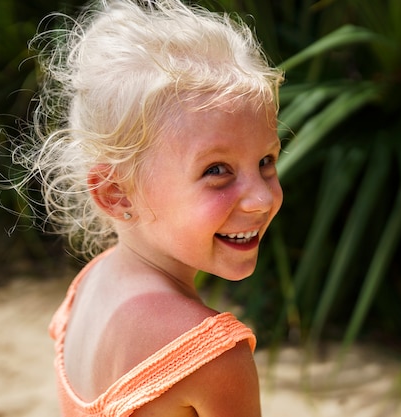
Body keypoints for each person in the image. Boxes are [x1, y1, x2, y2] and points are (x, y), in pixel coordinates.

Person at [15, 0, 284, 416]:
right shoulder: (211, 355)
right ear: (116, 193)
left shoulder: (86, 287)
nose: (263, 197)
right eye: (217, 170)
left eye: (266, 161)